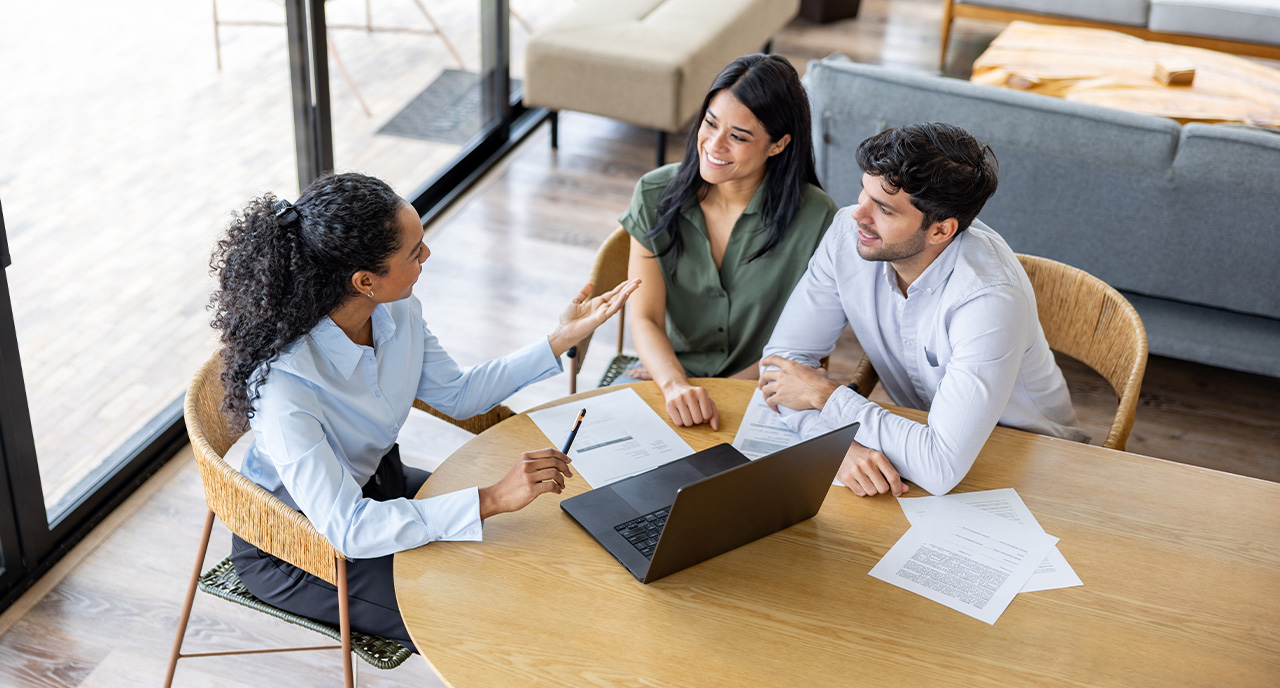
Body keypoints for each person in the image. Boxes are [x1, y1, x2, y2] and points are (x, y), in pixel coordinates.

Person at [207, 172, 638, 652]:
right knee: (478, 612)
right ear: (365, 281)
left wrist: (561, 338)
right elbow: (348, 528)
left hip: (377, 487)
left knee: (534, 551)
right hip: (301, 543)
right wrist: (492, 497)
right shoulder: (288, 386)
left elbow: (457, 394)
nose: (426, 257)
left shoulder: (394, 309)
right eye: (415, 252)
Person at [758, 123, 1089, 498]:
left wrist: (825, 397)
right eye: (864, 193)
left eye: (883, 209)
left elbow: (940, 467)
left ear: (940, 231)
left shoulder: (989, 300)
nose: (858, 216)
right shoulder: (846, 237)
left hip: (1030, 465)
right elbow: (780, 369)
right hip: (914, 448)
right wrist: (838, 448)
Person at [619, 53, 837, 431]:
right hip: (669, 379)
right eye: (710, 123)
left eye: (738, 136)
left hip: (765, 392)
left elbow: (802, 350)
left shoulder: (817, 218)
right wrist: (674, 385)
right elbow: (645, 318)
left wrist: (716, 395)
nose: (714, 145)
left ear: (778, 144)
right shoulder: (654, 193)